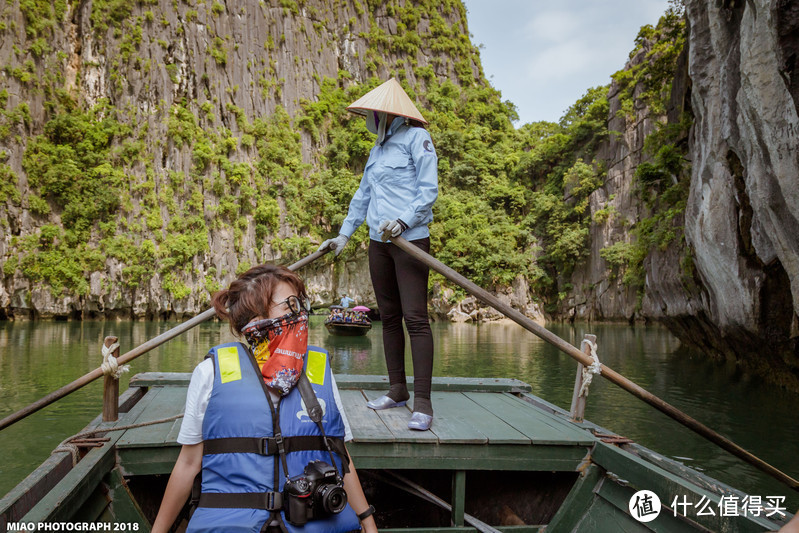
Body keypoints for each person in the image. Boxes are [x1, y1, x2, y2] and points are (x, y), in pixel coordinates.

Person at [152, 264, 377, 533]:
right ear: (257, 316)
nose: (299, 314)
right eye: (289, 305)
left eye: (300, 304)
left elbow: (341, 457)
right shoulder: (212, 372)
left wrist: (368, 521)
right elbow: (188, 463)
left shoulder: (319, 369)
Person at [318, 78, 438, 431]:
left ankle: (423, 403)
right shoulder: (377, 149)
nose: (368, 118)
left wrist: (404, 221)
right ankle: (397, 389)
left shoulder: (418, 139)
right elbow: (363, 196)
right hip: (378, 242)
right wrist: (343, 235)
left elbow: (428, 190)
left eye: (372, 113)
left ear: (387, 113)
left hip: (410, 241)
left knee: (415, 318)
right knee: (388, 317)